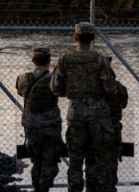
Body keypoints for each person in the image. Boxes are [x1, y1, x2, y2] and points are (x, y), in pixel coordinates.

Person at [50, 22, 118, 192]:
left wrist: (71, 92)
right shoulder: (100, 60)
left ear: (76, 38)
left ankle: (75, 188)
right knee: (97, 157)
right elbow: (111, 89)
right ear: (93, 38)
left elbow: (55, 88)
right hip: (98, 114)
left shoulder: (65, 59)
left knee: (75, 158)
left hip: (76, 113)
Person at [15, 47, 62, 192]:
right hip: (51, 126)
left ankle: (37, 189)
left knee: (37, 161)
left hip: (32, 126)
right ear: (49, 61)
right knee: (50, 162)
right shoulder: (54, 78)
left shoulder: (23, 77)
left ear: (33, 61)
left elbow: (19, 90)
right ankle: (44, 188)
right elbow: (61, 91)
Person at [106, 74, 128, 192]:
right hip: (114, 126)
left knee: (94, 159)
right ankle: (111, 186)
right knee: (113, 159)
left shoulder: (94, 86)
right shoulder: (119, 87)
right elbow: (124, 105)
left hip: (96, 126)